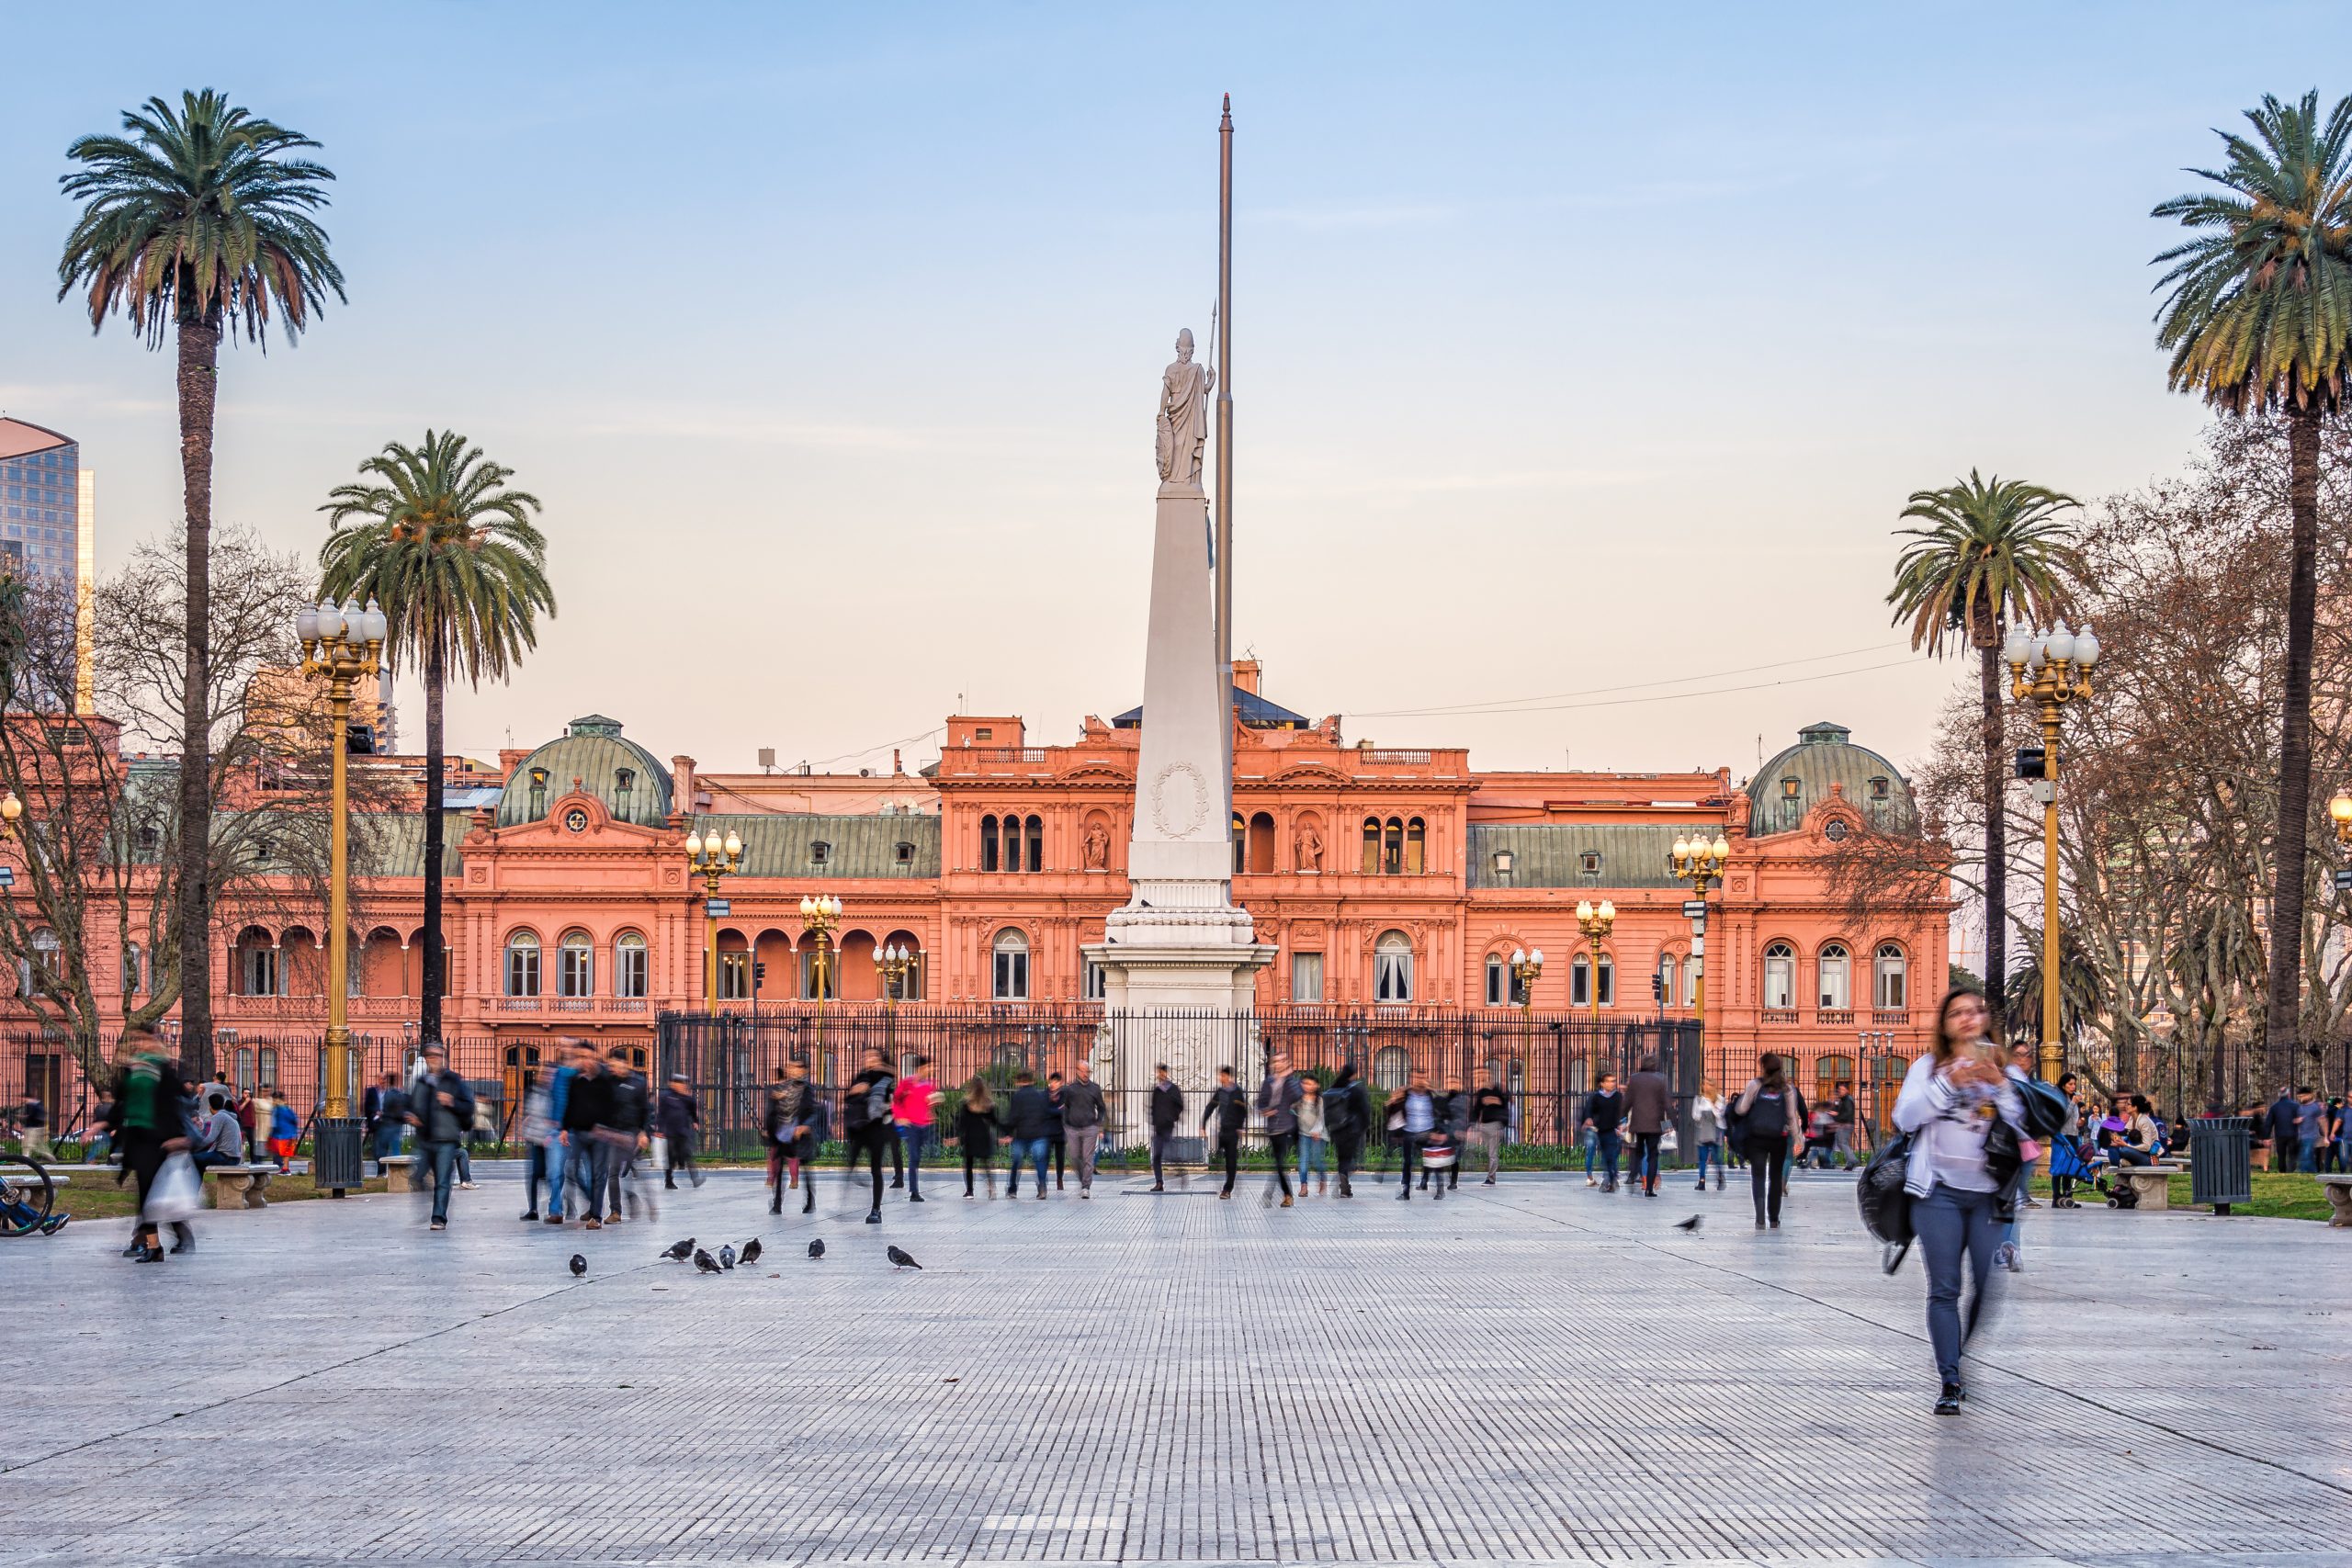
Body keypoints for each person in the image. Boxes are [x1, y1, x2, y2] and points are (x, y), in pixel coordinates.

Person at [1893, 986, 2024, 1415]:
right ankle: (1950, 1378)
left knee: (1986, 1285)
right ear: (1945, 1025)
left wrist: (2000, 1086)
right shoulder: (1928, 1068)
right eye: (1958, 1013)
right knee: (1945, 1288)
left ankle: (1957, 1353)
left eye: (1977, 1011)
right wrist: (1950, 1083)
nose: (1969, 1018)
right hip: (1938, 1195)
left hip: (1988, 1195)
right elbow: (1905, 1118)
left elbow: (2028, 1128)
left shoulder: (2005, 1069)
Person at [113, 1029, 195, 1261]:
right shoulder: (132, 1068)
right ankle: (154, 1244)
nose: (140, 1044)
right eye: (137, 1040)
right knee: (148, 1191)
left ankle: (158, 1241)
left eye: (145, 1039)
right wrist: (102, 1124)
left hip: (160, 1138)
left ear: (155, 1042)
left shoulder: (163, 1067)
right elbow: (122, 1098)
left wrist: (177, 1135)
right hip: (137, 1137)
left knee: (154, 1192)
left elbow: (175, 1101)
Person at [406, 1044, 477, 1231]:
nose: (433, 1059)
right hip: (425, 1138)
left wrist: (452, 1102)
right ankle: (436, 1199)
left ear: (443, 1057)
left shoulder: (454, 1081)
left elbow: (469, 1107)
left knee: (443, 1180)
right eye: (429, 1055)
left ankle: (438, 1218)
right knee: (417, 1176)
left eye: (437, 1055)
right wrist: (411, 1116)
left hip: (446, 1138)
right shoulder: (422, 1082)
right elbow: (412, 1104)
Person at [1732, 1053, 1805, 1228]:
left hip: (1756, 1138)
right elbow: (1791, 1117)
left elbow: (1741, 1110)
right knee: (1775, 1177)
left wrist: (1742, 1100)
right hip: (1778, 1139)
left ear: (1763, 1067)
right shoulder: (1788, 1089)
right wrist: (1798, 1139)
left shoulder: (1755, 1085)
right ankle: (1774, 1218)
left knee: (1758, 1177)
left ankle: (1759, 1219)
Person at [843, 1050, 897, 1224]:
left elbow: (892, 1101)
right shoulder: (860, 1077)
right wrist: (855, 1091)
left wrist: (886, 1105)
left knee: (876, 1170)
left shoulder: (886, 1077)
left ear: (880, 1060)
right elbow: (848, 1100)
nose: (869, 1060)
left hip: (877, 1128)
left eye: (873, 1057)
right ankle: (846, 1200)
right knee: (850, 1163)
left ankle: (876, 1210)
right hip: (859, 1128)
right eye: (866, 1057)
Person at [891, 1055, 943, 1201]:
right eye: (929, 1067)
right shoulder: (907, 1083)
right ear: (921, 1068)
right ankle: (914, 1192)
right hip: (911, 1125)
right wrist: (900, 1116)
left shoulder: (930, 1084)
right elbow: (896, 1100)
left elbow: (927, 1102)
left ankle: (915, 1188)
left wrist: (932, 1106)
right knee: (914, 1157)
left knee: (918, 1156)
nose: (931, 1069)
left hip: (925, 1124)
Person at [1257, 1052, 1303, 1206]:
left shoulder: (1292, 1081)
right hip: (1273, 1128)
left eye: (1282, 1060)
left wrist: (1288, 1078)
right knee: (1278, 1163)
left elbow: (1298, 1096)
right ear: (1272, 1064)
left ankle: (1285, 1195)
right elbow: (1261, 1102)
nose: (1279, 1063)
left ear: (1287, 1063)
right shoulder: (1268, 1082)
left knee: (1279, 1162)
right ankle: (1279, 1193)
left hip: (1287, 1127)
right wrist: (1266, 1110)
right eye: (1276, 1061)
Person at [1389, 1073, 1442, 1201]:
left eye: (1421, 1078)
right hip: (1410, 1131)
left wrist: (1438, 1130)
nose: (1418, 1080)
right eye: (1416, 1078)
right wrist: (1393, 1100)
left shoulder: (1431, 1094)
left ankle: (1440, 1189)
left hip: (1427, 1131)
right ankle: (1406, 1192)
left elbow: (1440, 1112)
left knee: (1433, 1160)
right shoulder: (1406, 1094)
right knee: (1407, 1162)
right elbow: (1393, 1110)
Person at [1059, 1058, 1107, 1199]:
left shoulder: (1095, 1088)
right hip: (1072, 1128)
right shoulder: (1070, 1089)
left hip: (1090, 1127)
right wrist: (1066, 1124)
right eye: (1083, 1071)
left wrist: (1099, 1124)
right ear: (1077, 1071)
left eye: (1088, 1071)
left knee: (1088, 1158)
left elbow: (1102, 1108)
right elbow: (1065, 1107)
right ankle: (1083, 1178)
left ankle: (1086, 1186)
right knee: (1075, 1156)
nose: (1086, 1074)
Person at [1624, 1055, 1670, 1199]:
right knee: (1652, 1155)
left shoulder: (1634, 1078)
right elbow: (1666, 1104)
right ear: (1654, 1065)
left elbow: (1627, 1101)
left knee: (1639, 1152)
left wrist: (1619, 1118)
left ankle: (1634, 1175)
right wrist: (1671, 1123)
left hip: (1638, 1124)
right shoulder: (1661, 1079)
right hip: (1655, 1125)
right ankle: (1649, 1188)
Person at [1006, 1069, 1055, 1198]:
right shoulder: (1040, 1096)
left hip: (1022, 1135)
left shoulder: (1017, 1097)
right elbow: (1046, 1114)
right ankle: (1042, 1187)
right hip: (1039, 1134)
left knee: (1016, 1162)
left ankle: (1012, 1189)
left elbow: (1013, 1117)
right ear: (1032, 1081)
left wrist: (1008, 1132)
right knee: (1039, 1162)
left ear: (1018, 1082)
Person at [1203, 1066, 1248, 1198]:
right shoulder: (1220, 1091)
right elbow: (1210, 1107)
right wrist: (1203, 1125)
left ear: (1228, 1076)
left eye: (1222, 1075)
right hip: (1222, 1130)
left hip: (1234, 1130)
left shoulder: (1237, 1092)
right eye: (1220, 1075)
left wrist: (1240, 1127)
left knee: (1231, 1160)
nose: (1220, 1078)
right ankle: (1226, 1178)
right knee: (1220, 1155)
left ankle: (1227, 1189)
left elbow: (1243, 1111)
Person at [1326, 1063, 1369, 1198]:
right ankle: (1345, 1177)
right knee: (1349, 1158)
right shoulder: (1357, 1089)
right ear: (1354, 1074)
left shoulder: (1334, 1087)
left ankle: (1344, 1184)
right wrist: (1364, 1126)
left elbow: (1327, 1109)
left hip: (1337, 1129)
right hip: (1352, 1129)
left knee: (1341, 1157)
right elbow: (1365, 1111)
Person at [519, 1073, 559, 1222]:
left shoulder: (555, 1093)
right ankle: (533, 1209)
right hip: (536, 1139)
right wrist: (525, 1128)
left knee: (553, 1175)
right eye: (544, 1074)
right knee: (535, 1174)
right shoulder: (533, 1091)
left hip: (551, 1140)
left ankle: (557, 1206)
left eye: (549, 1075)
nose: (546, 1077)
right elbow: (529, 1114)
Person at [657, 1073, 704, 1190]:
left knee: (687, 1154)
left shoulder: (688, 1098)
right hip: (670, 1132)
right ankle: (669, 1181)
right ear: (672, 1083)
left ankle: (695, 1179)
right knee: (671, 1158)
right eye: (678, 1083)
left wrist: (695, 1121)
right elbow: (661, 1114)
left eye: (683, 1083)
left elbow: (693, 1111)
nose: (681, 1086)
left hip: (683, 1131)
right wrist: (660, 1129)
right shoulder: (665, 1096)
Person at [1580, 1072, 1625, 1192]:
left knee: (1611, 1156)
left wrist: (1621, 1124)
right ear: (1602, 1084)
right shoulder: (1596, 1097)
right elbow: (1589, 1110)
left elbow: (1621, 1111)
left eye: (1613, 1081)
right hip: (1600, 1130)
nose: (1612, 1084)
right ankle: (1610, 1179)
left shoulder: (1618, 1096)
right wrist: (1588, 1119)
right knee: (1605, 1158)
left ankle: (1610, 1180)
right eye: (1609, 1081)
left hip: (1612, 1130)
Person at [957, 1075, 999, 1198]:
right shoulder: (988, 1104)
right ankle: (991, 1186)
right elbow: (994, 1122)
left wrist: (958, 1136)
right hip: (984, 1136)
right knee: (986, 1164)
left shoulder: (966, 1104)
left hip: (970, 1137)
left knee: (969, 1165)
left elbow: (962, 1123)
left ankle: (970, 1191)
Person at [1467, 1070, 1510, 1186]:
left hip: (1495, 1126)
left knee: (1492, 1153)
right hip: (1483, 1125)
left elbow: (1505, 1108)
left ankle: (1491, 1179)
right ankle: (1471, 1164)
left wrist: (1502, 1125)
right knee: (1481, 1149)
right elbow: (1476, 1109)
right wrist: (1472, 1124)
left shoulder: (1499, 1091)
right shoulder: (1482, 1092)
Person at [1148, 1064, 1184, 1192]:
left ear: (1166, 1073)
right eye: (1159, 1072)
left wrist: (1172, 1117)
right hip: (1158, 1127)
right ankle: (1159, 1183)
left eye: (1162, 1072)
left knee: (1170, 1153)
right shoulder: (1157, 1090)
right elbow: (1153, 1106)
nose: (1161, 1075)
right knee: (1157, 1155)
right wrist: (1154, 1118)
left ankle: (1180, 1169)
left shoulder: (1173, 1089)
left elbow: (1180, 1105)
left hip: (1168, 1125)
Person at [1432, 1075, 1469, 1190]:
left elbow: (1465, 1115)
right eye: (1449, 1082)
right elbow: (1441, 1114)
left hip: (1458, 1132)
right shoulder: (1445, 1098)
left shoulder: (1463, 1098)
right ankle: (1442, 1182)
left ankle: (1453, 1181)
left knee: (1454, 1158)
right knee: (1443, 1156)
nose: (1451, 1084)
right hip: (1446, 1131)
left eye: (1454, 1082)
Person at [1295, 1076, 1329, 1196]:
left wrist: (1317, 1131)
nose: (1308, 1086)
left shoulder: (1319, 1100)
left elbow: (1321, 1118)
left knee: (1316, 1160)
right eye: (1305, 1083)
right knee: (1303, 1160)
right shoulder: (1299, 1099)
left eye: (1311, 1083)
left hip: (1318, 1134)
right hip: (1303, 1134)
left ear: (1316, 1085)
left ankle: (1323, 1180)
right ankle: (1303, 1187)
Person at [1690, 1079, 1726, 1190]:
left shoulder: (1720, 1099)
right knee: (1702, 1157)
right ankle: (1702, 1181)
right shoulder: (1699, 1099)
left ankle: (1720, 1177)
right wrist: (1702, 1113)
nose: (1706, 1087)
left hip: (1716, 1130)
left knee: (1717, 1157)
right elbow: (1695, 1115)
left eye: (1709, 1084)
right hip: (1703, 1130)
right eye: (1704, 1084)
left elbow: (1719, 1115)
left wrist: (1710, 1103)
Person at [193, 1092, 244, 1171]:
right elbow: (215, 1141)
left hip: (226, 1157)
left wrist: (195, 1147)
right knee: (201, 1157)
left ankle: (195, 1183)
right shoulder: (229, 1117)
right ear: (223, 1105)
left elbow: (211, 1138)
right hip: (234, 1157)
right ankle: (201, 1182)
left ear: (210, 1106)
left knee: (193, 1158)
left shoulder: (218, 1116)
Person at [1043, 1071, 1069, 1191]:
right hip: (1047, 1132)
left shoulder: (1064, 1095)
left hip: (1060, 1131)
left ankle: (1059, 1179)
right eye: (1052, 1081)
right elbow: (1044, 1111)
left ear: (1060, 1083)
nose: (1053, 1084)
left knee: (1060, 1158)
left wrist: (1054, 1111)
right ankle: (1043, 1180)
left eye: (1056, 1082)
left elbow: (1066, 1110)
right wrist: (1057, 1110)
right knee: (1045, 1158)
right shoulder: (1044, 1094)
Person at [2267, 1087, 2301, 1174]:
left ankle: (2282, 1171)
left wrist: (2266, 1136)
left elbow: (2268, 1123)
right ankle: (2290, 1170)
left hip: (2280, 1135)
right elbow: (2300, 1120)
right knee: (2292, 1154)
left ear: (2279, 1095)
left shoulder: (2274, 1107)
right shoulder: (2296, 1106)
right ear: (2289, 1094)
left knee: (2281, 1155)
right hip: (2293, 1134)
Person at [2294, 1086, 2327, 1173]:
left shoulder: (2316, 1107)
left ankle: (2305, 1172)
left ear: (2309, 1095)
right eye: (2299, 1097)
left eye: (2303, 1096)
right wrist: (2297, 1120)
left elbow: (2323, 1121)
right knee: (2305, 1156)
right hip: (2301, 1136)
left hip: (2311, 1136)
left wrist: (2326, 1136)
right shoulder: (2299, 1107)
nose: (2301, 1098)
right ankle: (2311, 1172)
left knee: (2306, 1155)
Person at [1830, 1079, 1860, 1169]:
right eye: (1839, 1090)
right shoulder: (1843, 1100)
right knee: (1842, 1143)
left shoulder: (1847, 1100)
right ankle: (1850, 1163)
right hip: (1844, 1124)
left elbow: (1847, 1113)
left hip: (1845, 1125)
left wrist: (1837, 1116)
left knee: (1842, 1143)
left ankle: (1853, 1160)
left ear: (1847, 1091)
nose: (1840, 1092)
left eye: (1842, 1090)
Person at [267, 1091, 300, 1172]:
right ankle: (285, 1169)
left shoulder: (277, 1110)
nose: (272, 1102)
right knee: (286, 1153)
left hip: (281, 1134)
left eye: (273, 1100)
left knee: (282, 1152)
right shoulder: (287, 1109)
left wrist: (272, 1133)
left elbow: (274, 1123)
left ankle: (284, 1169)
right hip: (289, 1134)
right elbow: (295, 1120)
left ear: (277, 1100)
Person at [19, 1092, 49, 1163]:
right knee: (38, 1146)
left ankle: (25, 1159)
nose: (23, 1100)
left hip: (32, 1128)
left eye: (23, 1099)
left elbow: (30, 1116)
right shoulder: (38, 1104)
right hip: (37, 1127)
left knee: (27, 1145)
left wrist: (21, 1117)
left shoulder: (32, 1105)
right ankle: (50, 1157)